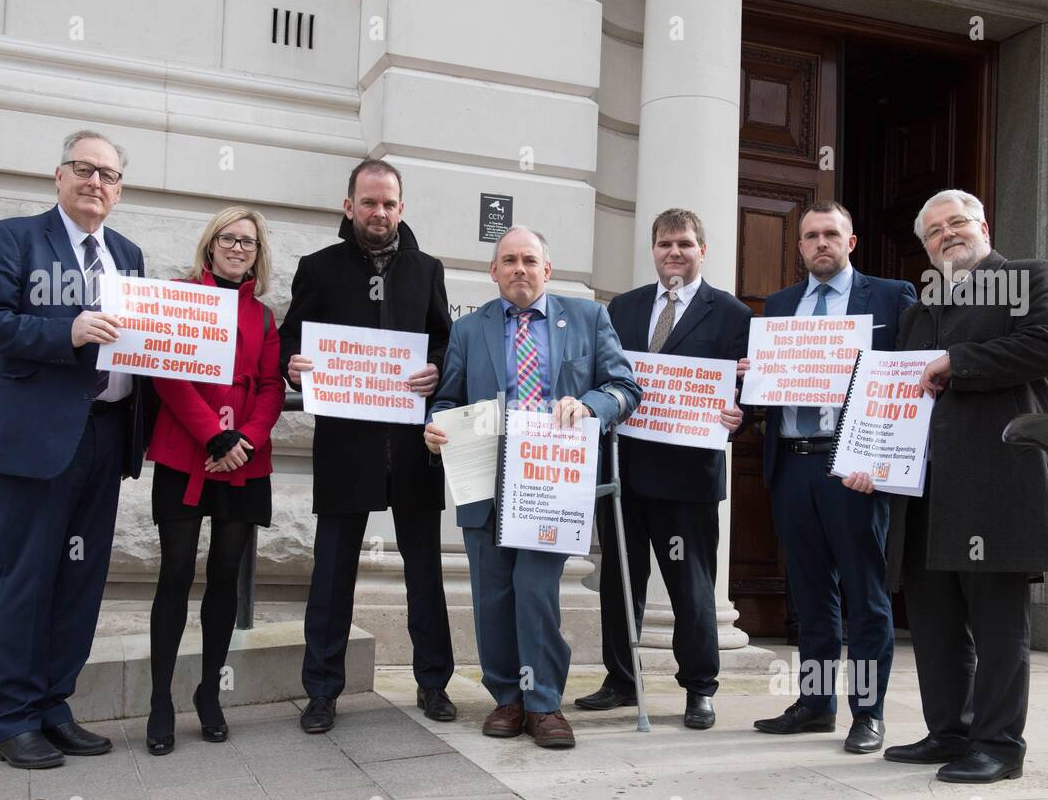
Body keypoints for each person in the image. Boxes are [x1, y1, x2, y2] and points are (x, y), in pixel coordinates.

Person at [843, 188, 1048, 783]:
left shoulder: (1028, 277)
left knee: (997, 624)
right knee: (934, 620)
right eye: (934, 231)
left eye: (957, 223)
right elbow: (895, 394)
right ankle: (949, 731)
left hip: (999, 481)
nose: (947, 235)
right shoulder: (921, 308)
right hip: (924, 491)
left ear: (984, 226)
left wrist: (957, 361)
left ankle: (998, 745)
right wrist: (871, 456)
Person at [0, 130, 146, 769]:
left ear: (119, 190)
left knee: (80, 577)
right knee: (28, 576)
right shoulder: (13, 238)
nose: (96, 182)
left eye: (109, 175)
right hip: (38, 438)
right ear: (59, 176)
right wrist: (63, 330)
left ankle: (52, 705)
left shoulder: (128, 253)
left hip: (107, 433)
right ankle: (12, 717)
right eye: (84, 169)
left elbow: (143, 338)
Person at [425, 226, 641, 749]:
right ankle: (508, 698)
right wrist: (434, 425)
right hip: (484, 480)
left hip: (549, 484)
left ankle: (544, 703)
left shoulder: (589, 318)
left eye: (529, 260)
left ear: (548, 269)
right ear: (493, 271)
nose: (519, 269)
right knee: (492, 594)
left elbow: (625, 387)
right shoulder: (470, 329)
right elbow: (448, 398)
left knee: (535, 590)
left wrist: (589, 405)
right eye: (509, 261)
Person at [280, 159, 455, 734]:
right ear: (348, 205)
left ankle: (433, 684)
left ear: (401, 209)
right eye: (369, 202)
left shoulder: (427, 270)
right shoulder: (319, 268)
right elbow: (288, 343)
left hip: (413, 447)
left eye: (389, 204)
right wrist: (295, 368)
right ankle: (323, 691)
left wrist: (434, 369)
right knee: (331, 574)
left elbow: (444, 344)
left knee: (425, 573)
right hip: (346, 446)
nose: (379, 213)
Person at [573, 208, 751, 730]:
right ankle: (621, 679)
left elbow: (748, 393)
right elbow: (598, 374)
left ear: (702, 250)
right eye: (666, 244)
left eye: (686, 244)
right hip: (622, 471)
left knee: (691, 589)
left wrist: (740, 414)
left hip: (688, 477)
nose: (675, 253)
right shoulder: (621, 309)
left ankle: (699, 688)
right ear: (653, 250)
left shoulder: (734, 315)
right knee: (619, 581)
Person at [749, 201, 916, 754]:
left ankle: (867, 713)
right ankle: (816, 704)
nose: (820, 243)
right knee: (810, 592)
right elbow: (762, 398)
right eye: (810, 236)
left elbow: (910, 383)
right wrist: (750, 383)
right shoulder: (779, 305)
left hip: (855, 468)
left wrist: (884, 460)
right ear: (799, 247)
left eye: (831, 234)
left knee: (865, 594)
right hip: (792, 463)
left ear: (852, 242)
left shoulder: (891, 298)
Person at [142, 207, 284, 755]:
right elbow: (167, 372)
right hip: (187, 452)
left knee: (226, 576)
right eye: (228, 238)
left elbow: (272, 385)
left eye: (248, 242)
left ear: (257, 252)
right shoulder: (180, 296)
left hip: (245, 458)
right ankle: (160, 699)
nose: (238, 247)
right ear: (210, 243)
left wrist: (244, 438)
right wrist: (213, 437)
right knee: (175, 572)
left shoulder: (265, 317)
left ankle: (209, 693)